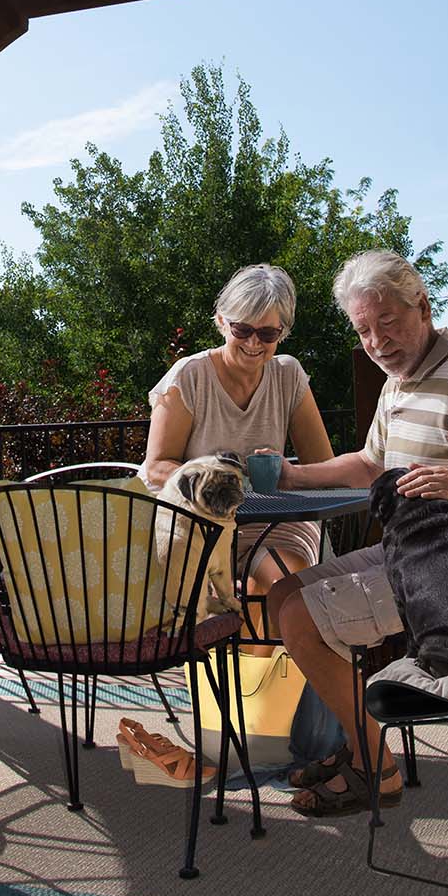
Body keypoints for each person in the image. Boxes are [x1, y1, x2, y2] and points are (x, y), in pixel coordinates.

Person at [268, 249, 448, 818]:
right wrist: (290, 472)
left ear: (421, 305)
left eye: (388, 323)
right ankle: (358, 741)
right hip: (410, 558)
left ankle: (375, 768)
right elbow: (372, 465)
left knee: (300, 616)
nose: (377, 341)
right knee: (281, 596)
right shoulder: (398, 382)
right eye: (364, 329)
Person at [138, 263, 337, 642]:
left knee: (286, 582)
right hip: (204, 522)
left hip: (274, 519)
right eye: (242, 329)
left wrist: (287, 473)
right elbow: (156, 467)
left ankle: (267, 681)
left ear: (283, 332)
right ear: (220, 321)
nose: (253, 343)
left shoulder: (288, 375)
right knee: (249, 593)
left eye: (267, 333)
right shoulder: (190, 376)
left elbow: (322, 467)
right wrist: (217, 478)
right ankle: (252, 679)